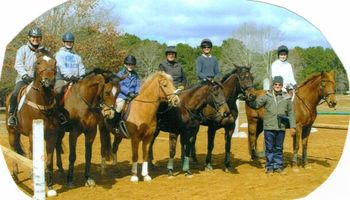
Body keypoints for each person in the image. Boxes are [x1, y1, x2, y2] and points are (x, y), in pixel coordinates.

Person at [247, 76, 296, 175]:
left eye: (279, 85)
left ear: (282, 86)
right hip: (269, 127)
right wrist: (249, 100)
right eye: (276, 84)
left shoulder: (286, 98)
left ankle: (278, 166)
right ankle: (269, 167)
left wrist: (292, 126)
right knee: (269, 148)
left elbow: (291, 113)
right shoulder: (267, 96)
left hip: (280, 127)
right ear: (273, 85)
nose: (277, 86)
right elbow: (256, 105)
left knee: (279, 148)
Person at [7, 27, 47, 126]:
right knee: (15, 93)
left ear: (40, 38)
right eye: (33, 37)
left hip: (40, 80)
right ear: (29, 37)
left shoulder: (44, 51)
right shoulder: (22, 49)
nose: (35, 39)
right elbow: (18, 64)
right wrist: (24, 75)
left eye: (38, 37)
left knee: (52, 93)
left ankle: (56, 116)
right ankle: (12, 115)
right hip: (24, 79)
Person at [54, 32, 85, 124]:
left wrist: (82, 76)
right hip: (62, 79)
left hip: (76, 80)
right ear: (63, 42)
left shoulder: (77, 56)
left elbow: (81, 67)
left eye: (71, 42)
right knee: (58, 91)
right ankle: (57, 114)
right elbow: (62, 67)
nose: (69, 43)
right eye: (67, 42)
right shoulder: (59, 54)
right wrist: (70, 76)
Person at [114, 55, 141, 137]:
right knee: (119, 107)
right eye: (129, 64)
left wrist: (136, 92)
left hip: (133, 96)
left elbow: (138, 84)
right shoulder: (120, 73)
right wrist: (129, 93)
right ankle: (115, 125)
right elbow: (120, 85)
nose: (130, 66)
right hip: (122, 95)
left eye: (132, 64)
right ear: (125, 65)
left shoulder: (136, 75)